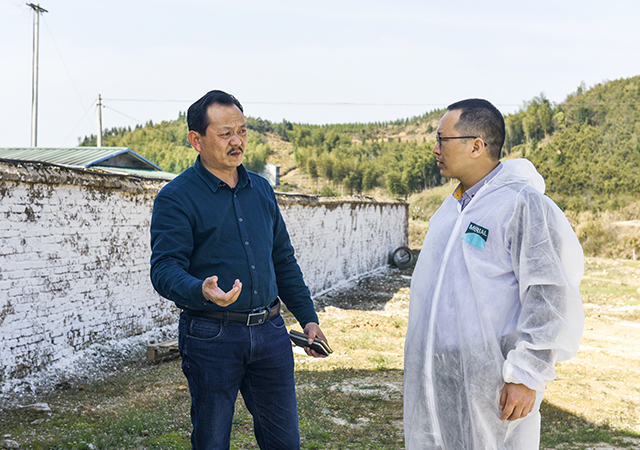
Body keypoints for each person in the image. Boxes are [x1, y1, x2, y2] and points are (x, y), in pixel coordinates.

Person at [150, 90, 327, 450]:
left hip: (271, 333)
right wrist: (200, 289)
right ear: (196, 140)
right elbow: (164, 268)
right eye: (225, 133)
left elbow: (283, 259)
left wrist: (308, 318)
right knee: (212, 441)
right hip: (211, 336)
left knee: (285, 442)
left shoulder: (260, 189)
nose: (237, 141)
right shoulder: (176, 197)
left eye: (242, 131)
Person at [403, 99, 584, 450]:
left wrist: (527, 375)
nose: (435, 149)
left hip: (493, 376)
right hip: (441, 370)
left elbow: (549, 293)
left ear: (476, 146)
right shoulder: (452, 208)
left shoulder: (521, 204)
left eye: (442, 139)